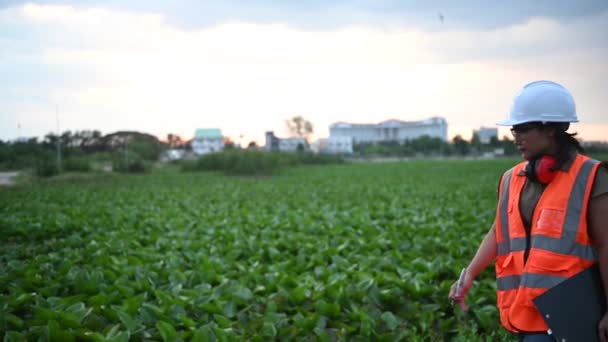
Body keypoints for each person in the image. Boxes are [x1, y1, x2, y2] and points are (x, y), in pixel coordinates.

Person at [448, 80, 608, 341]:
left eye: (523, 129)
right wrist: (469, 275)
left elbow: (606, 245)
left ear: (552, 129)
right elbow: (499, 232)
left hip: (572, 317)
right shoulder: (512, 178)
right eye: (514, 130)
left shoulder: (590, 176)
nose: (516, 137)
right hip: (525, 313)